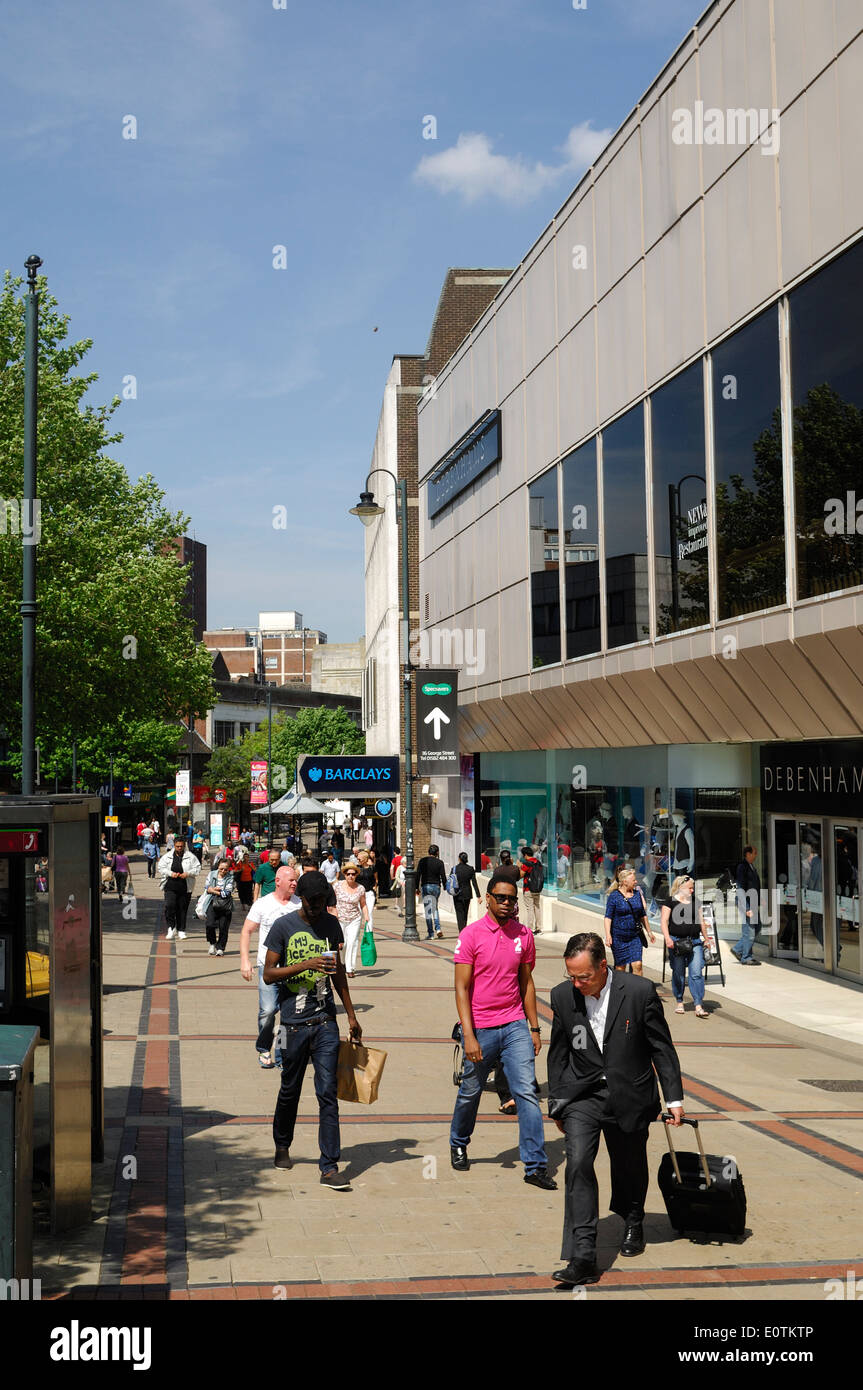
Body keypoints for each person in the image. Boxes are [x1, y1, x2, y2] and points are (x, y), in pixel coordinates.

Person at [547, 932, 685, 1287]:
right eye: (571, 976)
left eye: (584, 977)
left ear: (603, 966)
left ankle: (633, 1218)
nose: (577, 984)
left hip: (630, 1093)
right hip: (582, 1097)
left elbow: (660, 1048)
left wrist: (674, 1098)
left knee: (629, 1164)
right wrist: (557, 1103)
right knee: (577, 1163)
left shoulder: (638, 993)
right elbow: (559, 1054)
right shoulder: (563, 997)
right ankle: (582, 1257)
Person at [449, 871, 555, 1190]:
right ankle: (458, 1141)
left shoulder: (524, 935)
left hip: (514, 1025)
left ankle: (535, 1165)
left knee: (526, 1092)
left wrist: (534, 1028)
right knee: (471, 1091)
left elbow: (527, 983)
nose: (508, 903)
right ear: (488, 899)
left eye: (513, 898)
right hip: (481, 1026)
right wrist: (468, 1035)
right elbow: (461, 988)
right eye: (502, 898)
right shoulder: (471, 935)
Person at [264, 870, 362, 1187]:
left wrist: (350, 1015)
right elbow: (268, 974)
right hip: (291, 1024)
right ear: (302, 898)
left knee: (327, 1092)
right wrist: (305, 965)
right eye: (314, 900)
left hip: (325, 1022)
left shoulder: (331, 925)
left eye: (323, 900)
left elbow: (338, 972)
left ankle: (329, 1166)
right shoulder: (283, 927)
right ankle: (282, 1144)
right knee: (289, 1089)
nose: (319, 905)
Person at [240, 865, 299, 1069]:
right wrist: (245, 960)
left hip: (293, 968)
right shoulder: (263, 904)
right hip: (268, 967)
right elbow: (247, 931)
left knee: (287, 1014)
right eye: (291, 880)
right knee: (268, 1009)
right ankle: (264, 1047)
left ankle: (281, 1054)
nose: (294, 883)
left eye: (296, 880)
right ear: (278, 881)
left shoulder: (299, 904)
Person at [661, 875, 714, 1017]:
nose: (692, 890)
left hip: (695, 941)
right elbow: (664, 921)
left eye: (693, 888)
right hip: (677, 942)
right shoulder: (670, 901)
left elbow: (701, 921)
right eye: (690, 888)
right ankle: (679, 1001)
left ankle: (698, 1004)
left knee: (696, 972)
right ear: (681, 887)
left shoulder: (695, 902)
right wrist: (667, 938)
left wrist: (707, 938)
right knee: (678, 973)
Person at [604, 866, 654, 976]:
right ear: (625, 882)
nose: (636, 882)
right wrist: (608, 935)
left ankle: (637, 991)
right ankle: (621, 990)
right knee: (620, 968)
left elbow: (642, 915)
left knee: (637, 965)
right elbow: (608, 917)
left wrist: (649, 932)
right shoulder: (614, 896)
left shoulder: (637, 895)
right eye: (634, 880)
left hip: (634, 937)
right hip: (618, 938)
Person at [157, 836, 200, 940]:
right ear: (174, 846)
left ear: (184, 846)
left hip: (185, 887)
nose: (179, 848)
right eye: (177, 846)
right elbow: (161, 867)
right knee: (169, 906)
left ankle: (181, 930)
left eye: (181, 846)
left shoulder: (191, 856)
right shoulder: (167, 856)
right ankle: (171, 928)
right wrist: (170, 873)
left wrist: (188, 873)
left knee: (182, 909)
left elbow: (197, 868)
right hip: (170, 885)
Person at [333, 863, 370, 977]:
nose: (350, 876)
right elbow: (332, 902)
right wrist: (333, 913)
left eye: (353, 874)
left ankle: (350, 968)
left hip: (354, 919)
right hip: (340, 918)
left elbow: (363, 904)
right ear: (344, 874)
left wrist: (367, 916)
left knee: (352, 942)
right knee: (342, 944)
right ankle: (343, 962)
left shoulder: (360, 888)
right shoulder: (337, 886)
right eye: (348, 874)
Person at [732, 845, 761, 965]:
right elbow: (741, 888)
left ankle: (737, 949)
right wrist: (747, 908)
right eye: (754, 853)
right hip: (747, 902)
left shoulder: (751, 866)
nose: (756, 855)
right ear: (748, 854)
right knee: (749, 930)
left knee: (757, 926)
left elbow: (753, 884)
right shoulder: (742, 867)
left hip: (752, 901)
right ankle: (746, 957)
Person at [202, 857, 235, 956]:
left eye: (226, 869)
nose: (223, 871)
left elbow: (227, 892)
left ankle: (220, 947)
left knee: (223, 927)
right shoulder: (212, 874)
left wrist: (214, 890)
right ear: (218, 866)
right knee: (210, 924)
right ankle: (212, 943)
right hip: (212, 902)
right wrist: (214, 890)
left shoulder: (230, 877)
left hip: (225, 905)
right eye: (221, 868)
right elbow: (207, 887)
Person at [416, 843, 447, 940]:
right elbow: (443, 876)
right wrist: (445, 886)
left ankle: (431, 933)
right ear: (437, 853)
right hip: (436, 886)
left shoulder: (422, 861)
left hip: (426, 886)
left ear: (428, 852)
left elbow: (418, 874)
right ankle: (438, 929)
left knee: (428, 910)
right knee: (435, 908)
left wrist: (416, 887)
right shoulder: (440, 862)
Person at [451, 851, 481, 932]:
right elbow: (474, 883)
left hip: (457, 893)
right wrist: (478, 896)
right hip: (467, 893)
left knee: (459, 913)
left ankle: (461, 931)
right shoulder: (470, 869)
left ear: (459, 859)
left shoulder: (454, 869)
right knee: (465, 913)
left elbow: (451, 881)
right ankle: (464, 930)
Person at [520, 846, 544, 935]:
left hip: (528, 888)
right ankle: (539, 928)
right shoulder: (538, 862)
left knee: (529, 908)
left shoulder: (527, 863)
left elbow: (521, 875)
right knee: (537, 907)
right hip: (537, 888)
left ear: (525, 855)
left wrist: (519, 867)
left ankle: (529, 929)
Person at [355, 850, 377, 933]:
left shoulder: (372, 868)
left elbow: (376, 879)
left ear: (364, 859)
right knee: (359, 914)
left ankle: (369, 933)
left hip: (369, 893)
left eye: (359, 859)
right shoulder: (357, 869)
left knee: (369, 913)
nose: (358, 861)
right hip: (359, 894)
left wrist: (375, 887)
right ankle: (356, 932)